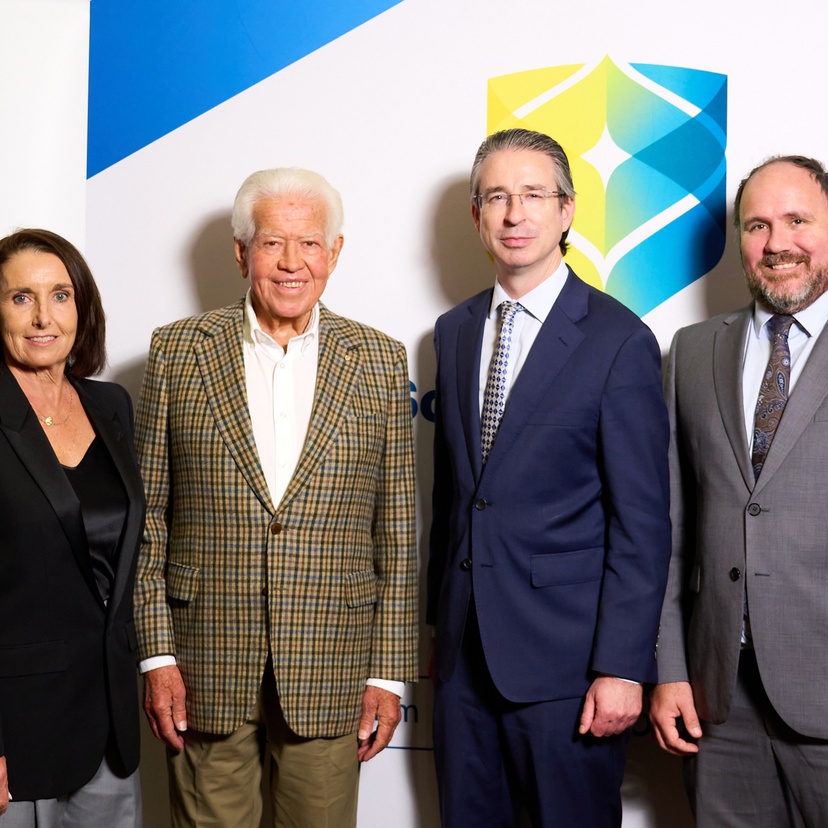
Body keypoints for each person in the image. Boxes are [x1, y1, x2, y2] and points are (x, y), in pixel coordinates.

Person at [134, 167, 418, 827]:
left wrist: (388, 673)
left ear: (335, 252)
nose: (292, 263)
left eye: (310, 243)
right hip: (202, 664)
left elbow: (397, 533)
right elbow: (149, 519)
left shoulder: (380, 360)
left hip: (332, 666)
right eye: (271, 244)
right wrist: (157, 654)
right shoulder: (176, 352)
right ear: (241, 253)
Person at [427, 127, 672, 827]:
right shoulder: (454, 330)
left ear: (566, 212)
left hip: (569, 670)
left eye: (534, 195)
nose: (515, 214)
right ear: (476, 216)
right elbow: (456, 498)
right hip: (465, 667)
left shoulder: (617, 340)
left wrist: (623, 666)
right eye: (496, 197)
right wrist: (432, 627)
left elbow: (641, 524)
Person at [650, 155, 828, 826]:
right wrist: (670, 669)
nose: (777, 243)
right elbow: (670, 529)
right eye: (757, 225)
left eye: (797, 220)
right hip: (716, 697)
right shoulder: (693, 351)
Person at [0, 229, 144, 828]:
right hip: (17, 730)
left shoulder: (111, 406)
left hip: (108, 722)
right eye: (20, 298)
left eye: (60, 295)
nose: (42, 317)